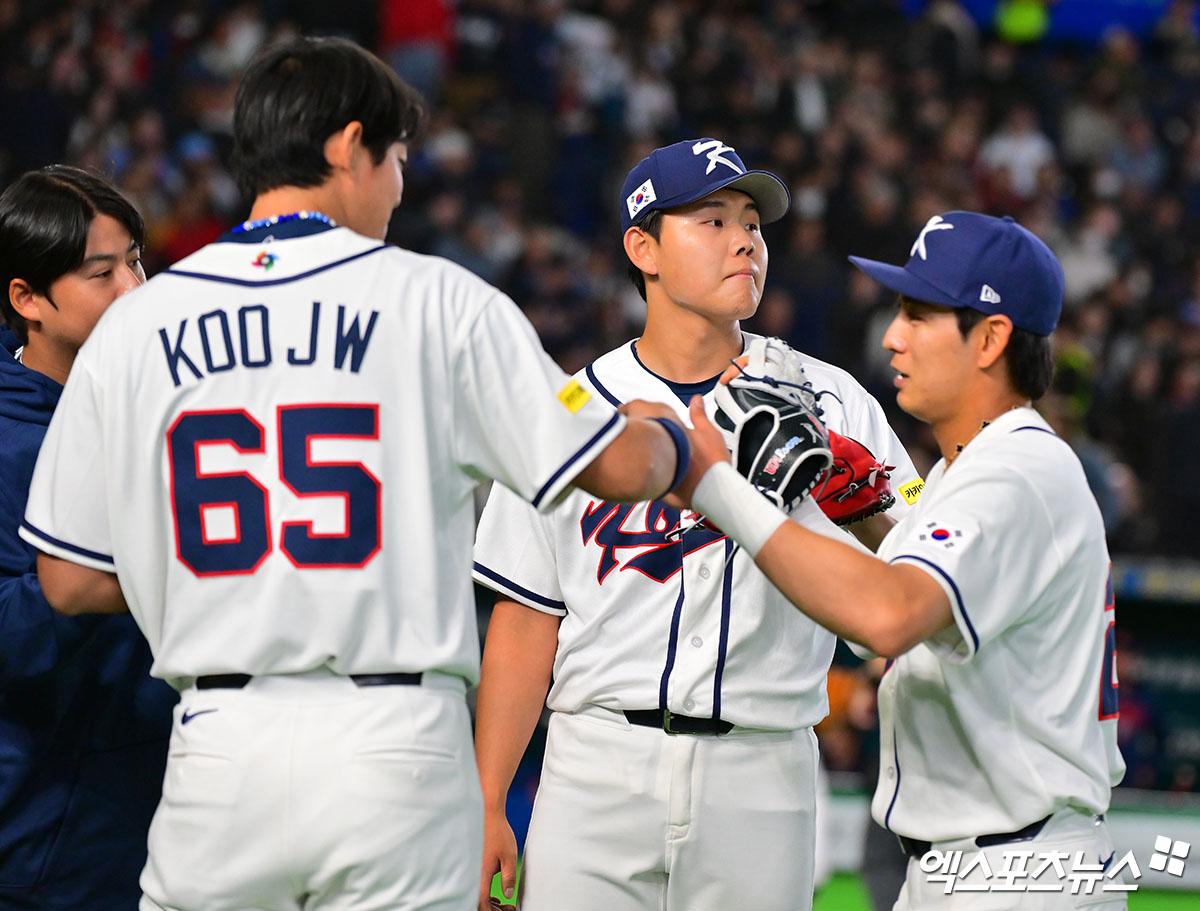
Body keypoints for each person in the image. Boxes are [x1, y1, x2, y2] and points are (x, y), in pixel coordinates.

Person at [20, 37, 688, 911]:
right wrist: (670, 435)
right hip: (393, 744)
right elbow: (616, 467)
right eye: (396, 156)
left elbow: (68, 581)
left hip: (219, 743)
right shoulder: (439, 301)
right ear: (346, 147)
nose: (400, 183)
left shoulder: (137, 325)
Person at [471, 138, 922, 911]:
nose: (746, 238)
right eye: (712, 220)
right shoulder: (572, 408)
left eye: (753, 221)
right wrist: (485, 801)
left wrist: (871, 504)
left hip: (764, 767)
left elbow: (920, 582)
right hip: (596, 765)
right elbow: (525, 617)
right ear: (642, 247)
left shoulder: (838, 402)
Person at [678, 211, 1127, 909]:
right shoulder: (971, 470)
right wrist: (859, 512)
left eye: (918, 316)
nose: (892, 336)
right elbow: (898, 613)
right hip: (975, 863)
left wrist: (717, 485)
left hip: (1017, 868)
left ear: (991, 338)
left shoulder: (1016, 471)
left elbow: (889, 616)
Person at [0, 165, 177, 910]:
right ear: (27, 298)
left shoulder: (178, 410)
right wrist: (125, 578)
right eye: (101, 272)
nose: (134, 288)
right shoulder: (11, 441)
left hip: (165, 809)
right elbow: (13, 634)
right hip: (44, 828)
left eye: (136, 259)